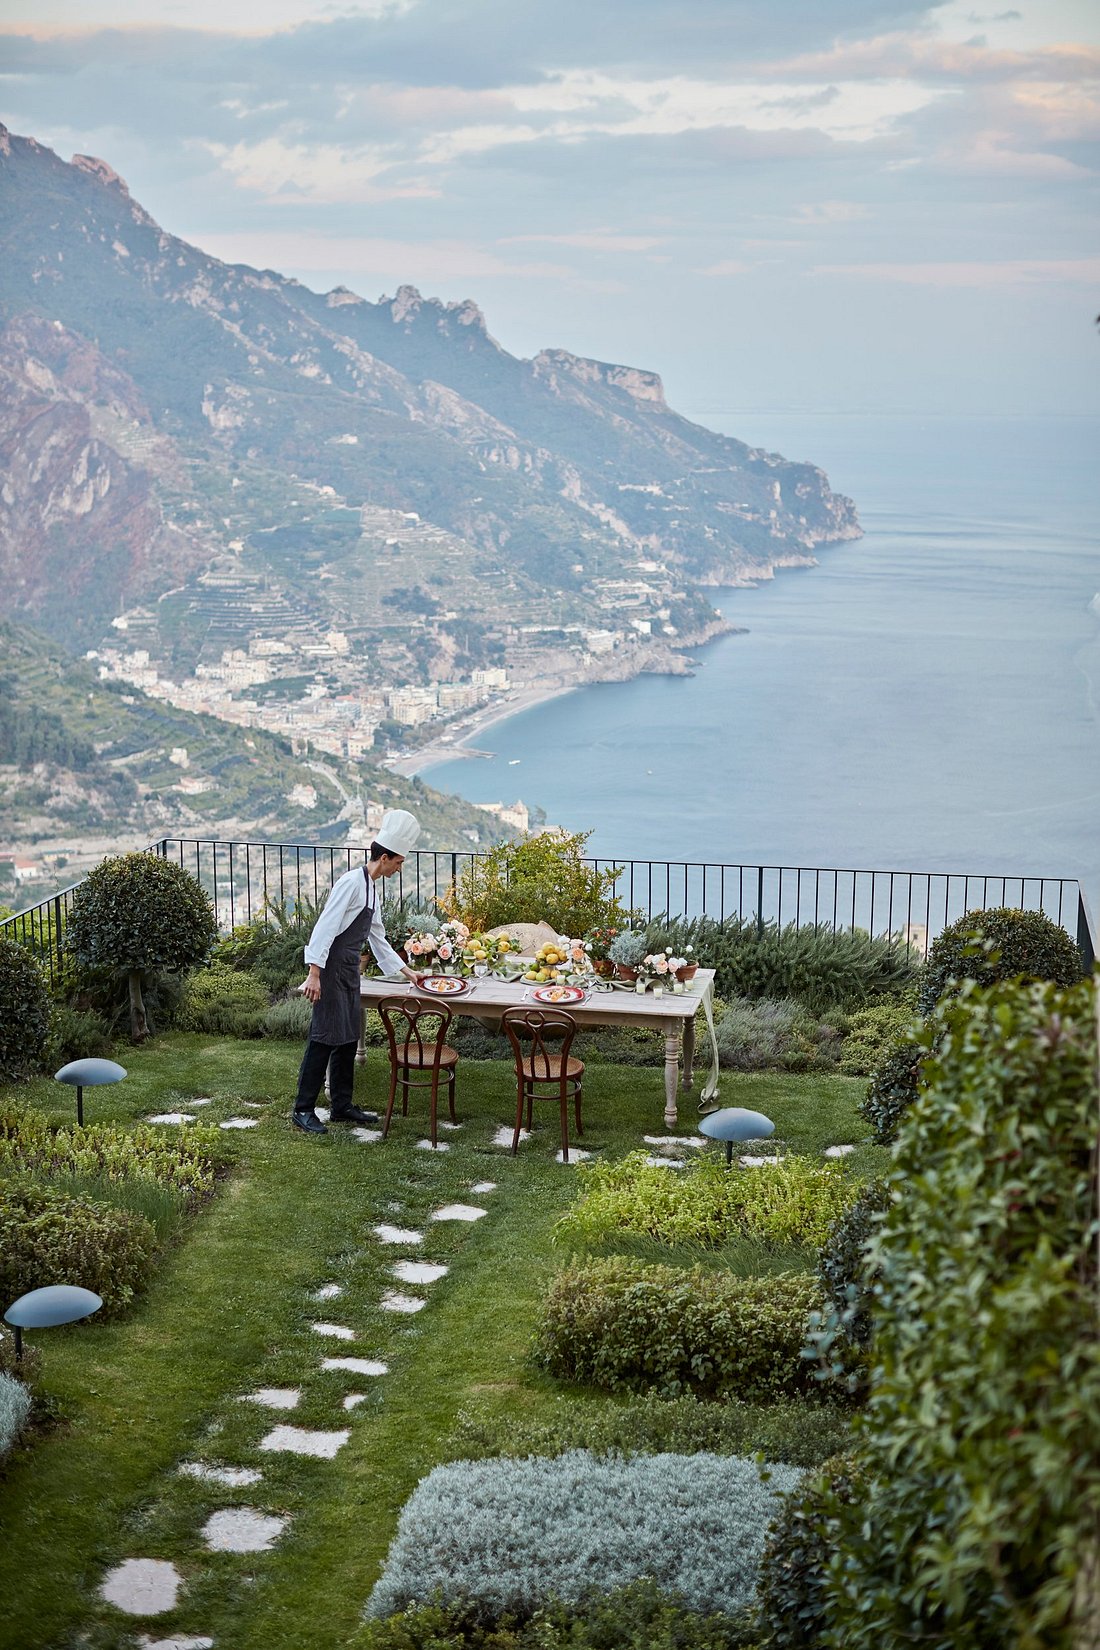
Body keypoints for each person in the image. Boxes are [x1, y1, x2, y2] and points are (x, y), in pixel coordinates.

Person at [292, 808, 423, 1136]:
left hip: (350, 973)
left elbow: (377, 939)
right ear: (385, 857)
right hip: (331, 970)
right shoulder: (352, 883)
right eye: (399, 862)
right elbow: (325, 927)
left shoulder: (371, 888)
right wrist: (314, 974)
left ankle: (341, 1106)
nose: (399, 868)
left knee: (348, 1038)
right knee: (323, 1037)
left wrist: (409, 973)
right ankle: (303, 1109)